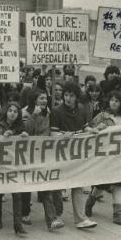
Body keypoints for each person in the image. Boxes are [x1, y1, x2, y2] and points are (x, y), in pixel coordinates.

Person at [50, 82, 98, 229]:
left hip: (77, 153)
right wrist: (64, 135)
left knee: (77, 184)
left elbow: (84, 127)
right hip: (60, 154)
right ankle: (55, 215)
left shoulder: (82, 109)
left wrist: (92, 130)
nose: (68, 98)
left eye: (71, 95)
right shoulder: (57, 111)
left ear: (77, 97)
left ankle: (81, 219)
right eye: (66, 95)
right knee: (57, 186)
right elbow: (52, 134)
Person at [84, 90, 121, 227]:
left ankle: (118, 214)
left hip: (119, 156)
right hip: (105, 156)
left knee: (118, 184)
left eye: (117, 101)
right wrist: (98, 128)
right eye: (112, 100)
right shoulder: (102, 116)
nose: (113, 103)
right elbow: (90, 128)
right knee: (101, 183)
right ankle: (90, 203)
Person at [23, 89, 65, 231]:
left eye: (45, 98)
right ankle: (26, 213)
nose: (44, 101)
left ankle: (54, 216)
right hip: (29, 155)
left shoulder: (50, 113)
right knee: (27, 187)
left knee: (48, 185)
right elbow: (26, 131)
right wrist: (34, 116)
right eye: (41, 98)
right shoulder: (26, 113)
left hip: (46, 154)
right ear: (34, 100)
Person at [0, 103, 28, 235]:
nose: (12, 113)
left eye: (15, 111)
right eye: (10, 110)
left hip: (14, 165)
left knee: (17, 194)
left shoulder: (21, 128)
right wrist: (1, 137)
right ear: (6, 112)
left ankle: (18, 225)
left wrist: (23, 136)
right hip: (0, 164)